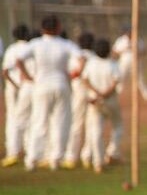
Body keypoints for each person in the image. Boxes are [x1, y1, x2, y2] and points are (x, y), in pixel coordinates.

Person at [16, 15, 85, 171]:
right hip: (61, 84)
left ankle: (32, 159)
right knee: (60, 122)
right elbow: (81, 59)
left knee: (39, 122)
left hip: (41, 86)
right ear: (58, 28)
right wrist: (75, 74)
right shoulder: (65, 44)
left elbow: (18, 60)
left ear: (43, 29)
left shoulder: (36, 44)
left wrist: (27, 76)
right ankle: (55, 159)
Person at [82, 39, 123, 174]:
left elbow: (85, 80)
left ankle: (98, 162)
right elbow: (115, 82)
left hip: (95, 101)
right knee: (118, 126)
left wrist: (96, 93)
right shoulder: (112, 64)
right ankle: (112, 153)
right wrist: (104, 94)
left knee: (96, 131)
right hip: (109, 100)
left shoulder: (91, 64)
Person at [62, 32, 95, 169]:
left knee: (76, 124)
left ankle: (71, 157)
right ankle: (87, 156)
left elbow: (71, 74)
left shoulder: (75, 57)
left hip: (78, 93)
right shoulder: (94, 57)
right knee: (91, 125)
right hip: (92, 94)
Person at [2, 24, 31, 167]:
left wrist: (15, 86)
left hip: (14, 88)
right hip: (27, 87)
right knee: (30, 118)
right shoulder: (30, 48)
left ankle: (12, 152)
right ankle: (28, 150)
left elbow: (5, 72)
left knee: (13, 119)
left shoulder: (12, 49)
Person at [112, 23, 147, 103]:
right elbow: (114, 51)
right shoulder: (121, 40)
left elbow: (144, 51)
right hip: (124, 63)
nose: (129, 33)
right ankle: (116, 96)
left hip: (137, 63)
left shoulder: (138, 40)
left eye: (130, 31)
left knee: (140, 80)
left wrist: (136, 50)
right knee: (120, 79)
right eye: (128, 32)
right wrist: (125, 49)